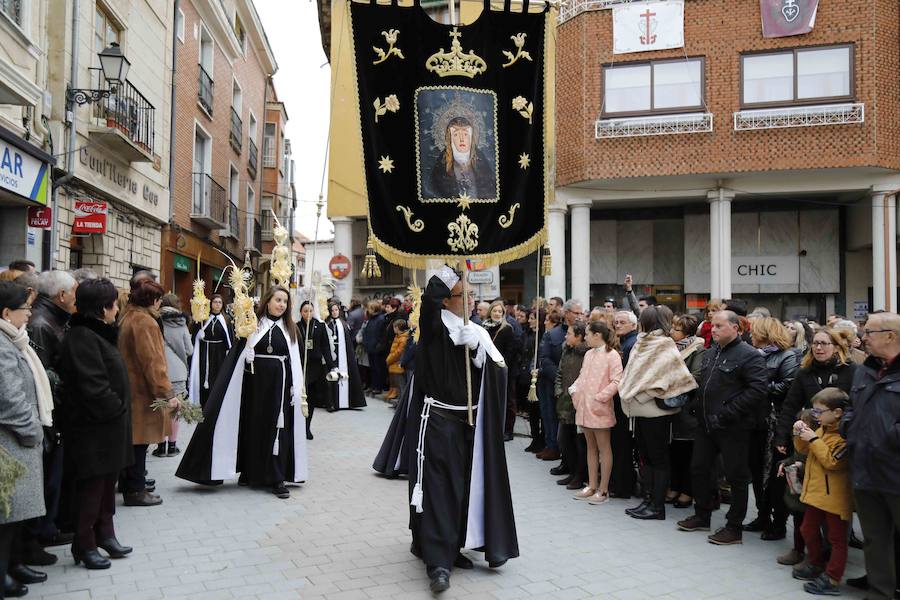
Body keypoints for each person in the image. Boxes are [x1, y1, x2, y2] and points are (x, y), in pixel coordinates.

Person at [406, 266, 517, 593]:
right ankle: (438, 562)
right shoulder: (434, 326)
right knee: (440, 490)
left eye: (471, 295)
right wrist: (452, 269)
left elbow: (499, 370)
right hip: (439, 422)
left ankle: (454, 547)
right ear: (446, 299)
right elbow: (429, 300)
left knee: (464, 488)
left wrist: (479, 350)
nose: (470, 300)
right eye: (462, 295)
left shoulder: (477, 330)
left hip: (471, 423)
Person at [177, 286, 308, 499]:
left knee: (277, 429)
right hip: (254, 387)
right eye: (278, 300)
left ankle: (276, 477)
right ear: (268, 301)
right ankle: (250, 471)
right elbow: (236, 358)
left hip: (280, 387)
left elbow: (296, 362)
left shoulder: (291, 330)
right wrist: (246, 355)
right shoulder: (253, 325)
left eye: (285, 301)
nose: (282, 304)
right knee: (252, 426)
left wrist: (296, 388)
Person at [57, 278, 133, 570]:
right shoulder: (82, 337)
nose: (117, 308)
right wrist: (116, 408)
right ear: (103, 308)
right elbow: (93, 386)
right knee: (90, 489)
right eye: (113, 303)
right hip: (93, 429)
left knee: (105, 486)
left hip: (109, 429)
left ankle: (105, 533)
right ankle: (84, 543)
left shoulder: (99, 333)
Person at [677, 310, 768, 545]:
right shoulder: (711, 352)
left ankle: (734, 527)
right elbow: (705, 385)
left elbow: (757, 390)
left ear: (735, 328)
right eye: (712, 325)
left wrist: (727, 413)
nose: (713, 329)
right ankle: (702, 515)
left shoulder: (749, 355)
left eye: (719, 326)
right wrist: (695, 407)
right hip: (706, 424)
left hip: (733, 426)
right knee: (699, 469)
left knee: (736, 476)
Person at [619, 306, 698, 520]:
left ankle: (657, 506)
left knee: (658, 458)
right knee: (645, 457)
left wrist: (648, 392)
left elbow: (675, 376)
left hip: (655, 410)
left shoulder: (664, 344)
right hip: (638, 407)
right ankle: (647, 499)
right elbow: (633, 372)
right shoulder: (641, 342)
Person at [844, 312, 900, 600]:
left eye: (869, 332)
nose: (863, 337)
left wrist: (888, 437)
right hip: (865, 469)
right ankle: (880, 592)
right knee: (875, 537)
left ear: (891, 336)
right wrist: (848, 426)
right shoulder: (864, 370)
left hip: (895, 468)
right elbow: (852, 405)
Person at [24, 271, 77, 562]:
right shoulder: (41, 324)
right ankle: (38, 534)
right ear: (62, 295)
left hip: (56, 412)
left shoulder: (53, 320)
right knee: (48, 477)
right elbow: (42, 376)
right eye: (74, 292)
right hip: (49, 415)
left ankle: (47, 528)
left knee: (54, 477)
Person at [0, 281, 48, 596]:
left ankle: (13, 563)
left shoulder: (13, 339)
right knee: (8, 515)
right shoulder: (2, 346)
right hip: (12, 441)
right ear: (7, 312)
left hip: (20, 441)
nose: (30, 313)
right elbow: (9, 399)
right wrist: (33, 431)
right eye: (25, 308)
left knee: (16, 515)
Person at [789, 388, 852, 596]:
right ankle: (815, 563)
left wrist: (814, 440)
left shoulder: (844, 435)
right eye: (814, 411)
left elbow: (833, 462)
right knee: (807, 529)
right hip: (816, 494)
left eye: (819, 412)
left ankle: (833, 578)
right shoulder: (822, 429)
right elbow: (803, 449)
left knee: (837, 538)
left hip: (835, 497)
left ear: (837, 413)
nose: (816, 415)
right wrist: (799, 433)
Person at [117, 279, 174, 507]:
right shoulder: (145, 322)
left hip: (130, 388)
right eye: (159, 299)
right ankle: (135, 490)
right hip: (142, 392)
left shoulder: (128, 316)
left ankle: (131, 484)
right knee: (139, 442)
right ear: (152, 300)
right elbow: (153, 362)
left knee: (134, 442)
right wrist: (167, 392)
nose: (160, 304)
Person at [745, 317, 799, 541]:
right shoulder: (752, 354)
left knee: (776, 476)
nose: (751, 335)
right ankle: (762, 515)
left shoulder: (787, 356)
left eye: (754, 331)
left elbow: (788, 385)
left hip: (775, 423)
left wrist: (759, 387)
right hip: (755, 421)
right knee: (757, 471)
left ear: (765, 333)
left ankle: (778, 523)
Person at [570, 320, 622, 505]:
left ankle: (603, 489)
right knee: (590, 447)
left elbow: (617, 380)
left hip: (600, 408)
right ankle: (592, 485)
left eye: (587, 334)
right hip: (584, 407)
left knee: (603, 448)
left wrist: (600, 397)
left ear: (597, 335)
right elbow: (582, 376)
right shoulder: (589, 354)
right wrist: (575, 389)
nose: (585, 337)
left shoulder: (612, 355)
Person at [669, 314, 707, 509]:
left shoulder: (697, 349)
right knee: (674, 451)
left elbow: (696, 376)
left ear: (687, 333)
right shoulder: (670, 347)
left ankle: (687, 490)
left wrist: (670, 380)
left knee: (687, 452)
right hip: (671, 406)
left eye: (676, 329)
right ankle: (674, 486)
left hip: (688, 405)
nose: (671, 332)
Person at [154, 294, 193, 458]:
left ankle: (160, 446)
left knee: (160, 409)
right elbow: (189, 350)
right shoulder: (182, 324)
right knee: (175, 410)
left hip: (159, 371)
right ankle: (172, 446)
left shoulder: (155, 321)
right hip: (178, 373)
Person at [553, 322, 589, 491]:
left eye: (569, 334)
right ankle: (572, 471)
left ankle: (580, 476)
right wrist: (559, 390)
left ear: (579, 336)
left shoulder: (587, 353)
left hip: (579, 402)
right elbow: (559, 372)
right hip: (565, 401)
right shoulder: (566, 350)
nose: (566, 336)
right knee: (564, 439)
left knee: (579, 442)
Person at [609, 309, 639, 498]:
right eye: (616, 322)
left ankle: (623, 486)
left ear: (633, 325)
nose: (618, 325)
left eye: (622, 322)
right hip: (620, 399)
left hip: (624, 401)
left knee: (622, 445)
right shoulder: (624, 342)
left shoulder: (631, 343)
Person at [428, 116, 495, 200]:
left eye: (465, 134)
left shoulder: (481, 160)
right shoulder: (442, 164)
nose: (461, 139)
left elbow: (490, 191)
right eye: (456, 135)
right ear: (450, 139)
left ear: (471, 138)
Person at [298, 301, 337, 438]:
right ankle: (298, 425)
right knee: (301, 396)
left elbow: (325, 347)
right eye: (305, 311)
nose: (308, 314)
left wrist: (332, 365)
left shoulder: (320, 326)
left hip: (315, 367)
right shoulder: (297, 326)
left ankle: (307, 427)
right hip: (301, 365)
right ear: (300, 312)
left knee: (311, 398)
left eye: (310, 311)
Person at [482, 300, 518, 441]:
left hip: (504, 370)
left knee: (508, 400)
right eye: (495, 310)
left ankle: (508, 430)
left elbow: (510, 351)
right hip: (487, 369)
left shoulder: (507, 329)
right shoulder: (484, 327)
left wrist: (500, 366)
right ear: (490, 311)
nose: (497, 313)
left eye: (500, 311)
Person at [189, 294, 233, 408]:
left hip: (219, 353)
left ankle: (215, 403)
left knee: (217, 376)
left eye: (220, 302)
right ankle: (203, 402)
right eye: (215, 302)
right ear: (210, 304)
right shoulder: (203, 318)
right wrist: (198, 335)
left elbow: (229, 339)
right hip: (205, 351)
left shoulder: (226, 319)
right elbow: (194, 335)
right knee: (204, 375)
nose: (217, 304)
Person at [325, 301, 366, 410]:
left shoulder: (343, 324)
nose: (334, 312)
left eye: (336, 310)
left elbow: (348, 340)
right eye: (332, 310)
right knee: (332, 376)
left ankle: (347, 401)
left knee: (346, 375)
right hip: (333, 355)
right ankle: (333, 402)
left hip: (344, 354)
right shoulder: (327, 324)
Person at [535, 310, 564, 461]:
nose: (545, 322)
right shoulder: (547, 335)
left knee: (552, 415)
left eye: (548, 320)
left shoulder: (553, 336)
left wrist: (556, 378)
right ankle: (549, 444)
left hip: (553, 379)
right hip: (544, 379)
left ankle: (554, 446)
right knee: (546, 414)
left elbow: (549, 359)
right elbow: (542, 358)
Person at [520, 309, 544, 453]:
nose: (529, 321)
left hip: (538, 376)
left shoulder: (542, 336)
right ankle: (534, 438)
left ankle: (541, 440)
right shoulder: (527, 334)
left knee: (539, 411)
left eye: (532, 318)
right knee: (532, 411)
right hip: (527, 375)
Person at [363, 300, 387, 396]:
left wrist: (378, 346)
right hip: (370, 347)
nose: (368, 310)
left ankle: (378, 387)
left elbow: (382, 335)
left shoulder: (380, 319)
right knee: (372, 368)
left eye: (369, 308)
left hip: (376, 348)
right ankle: (373, 385)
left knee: (378, 368)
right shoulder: (371, 319)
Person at [385, 320, 409, 402]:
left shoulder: (403, 338)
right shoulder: (398, 336)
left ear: (397, 328)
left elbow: (398, 352)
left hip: (397, 364)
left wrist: (389, 359)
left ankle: (401, 403)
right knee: (397, 385)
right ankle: (398, 402)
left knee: (401, 386)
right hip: (394, 363)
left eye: (394, 327)